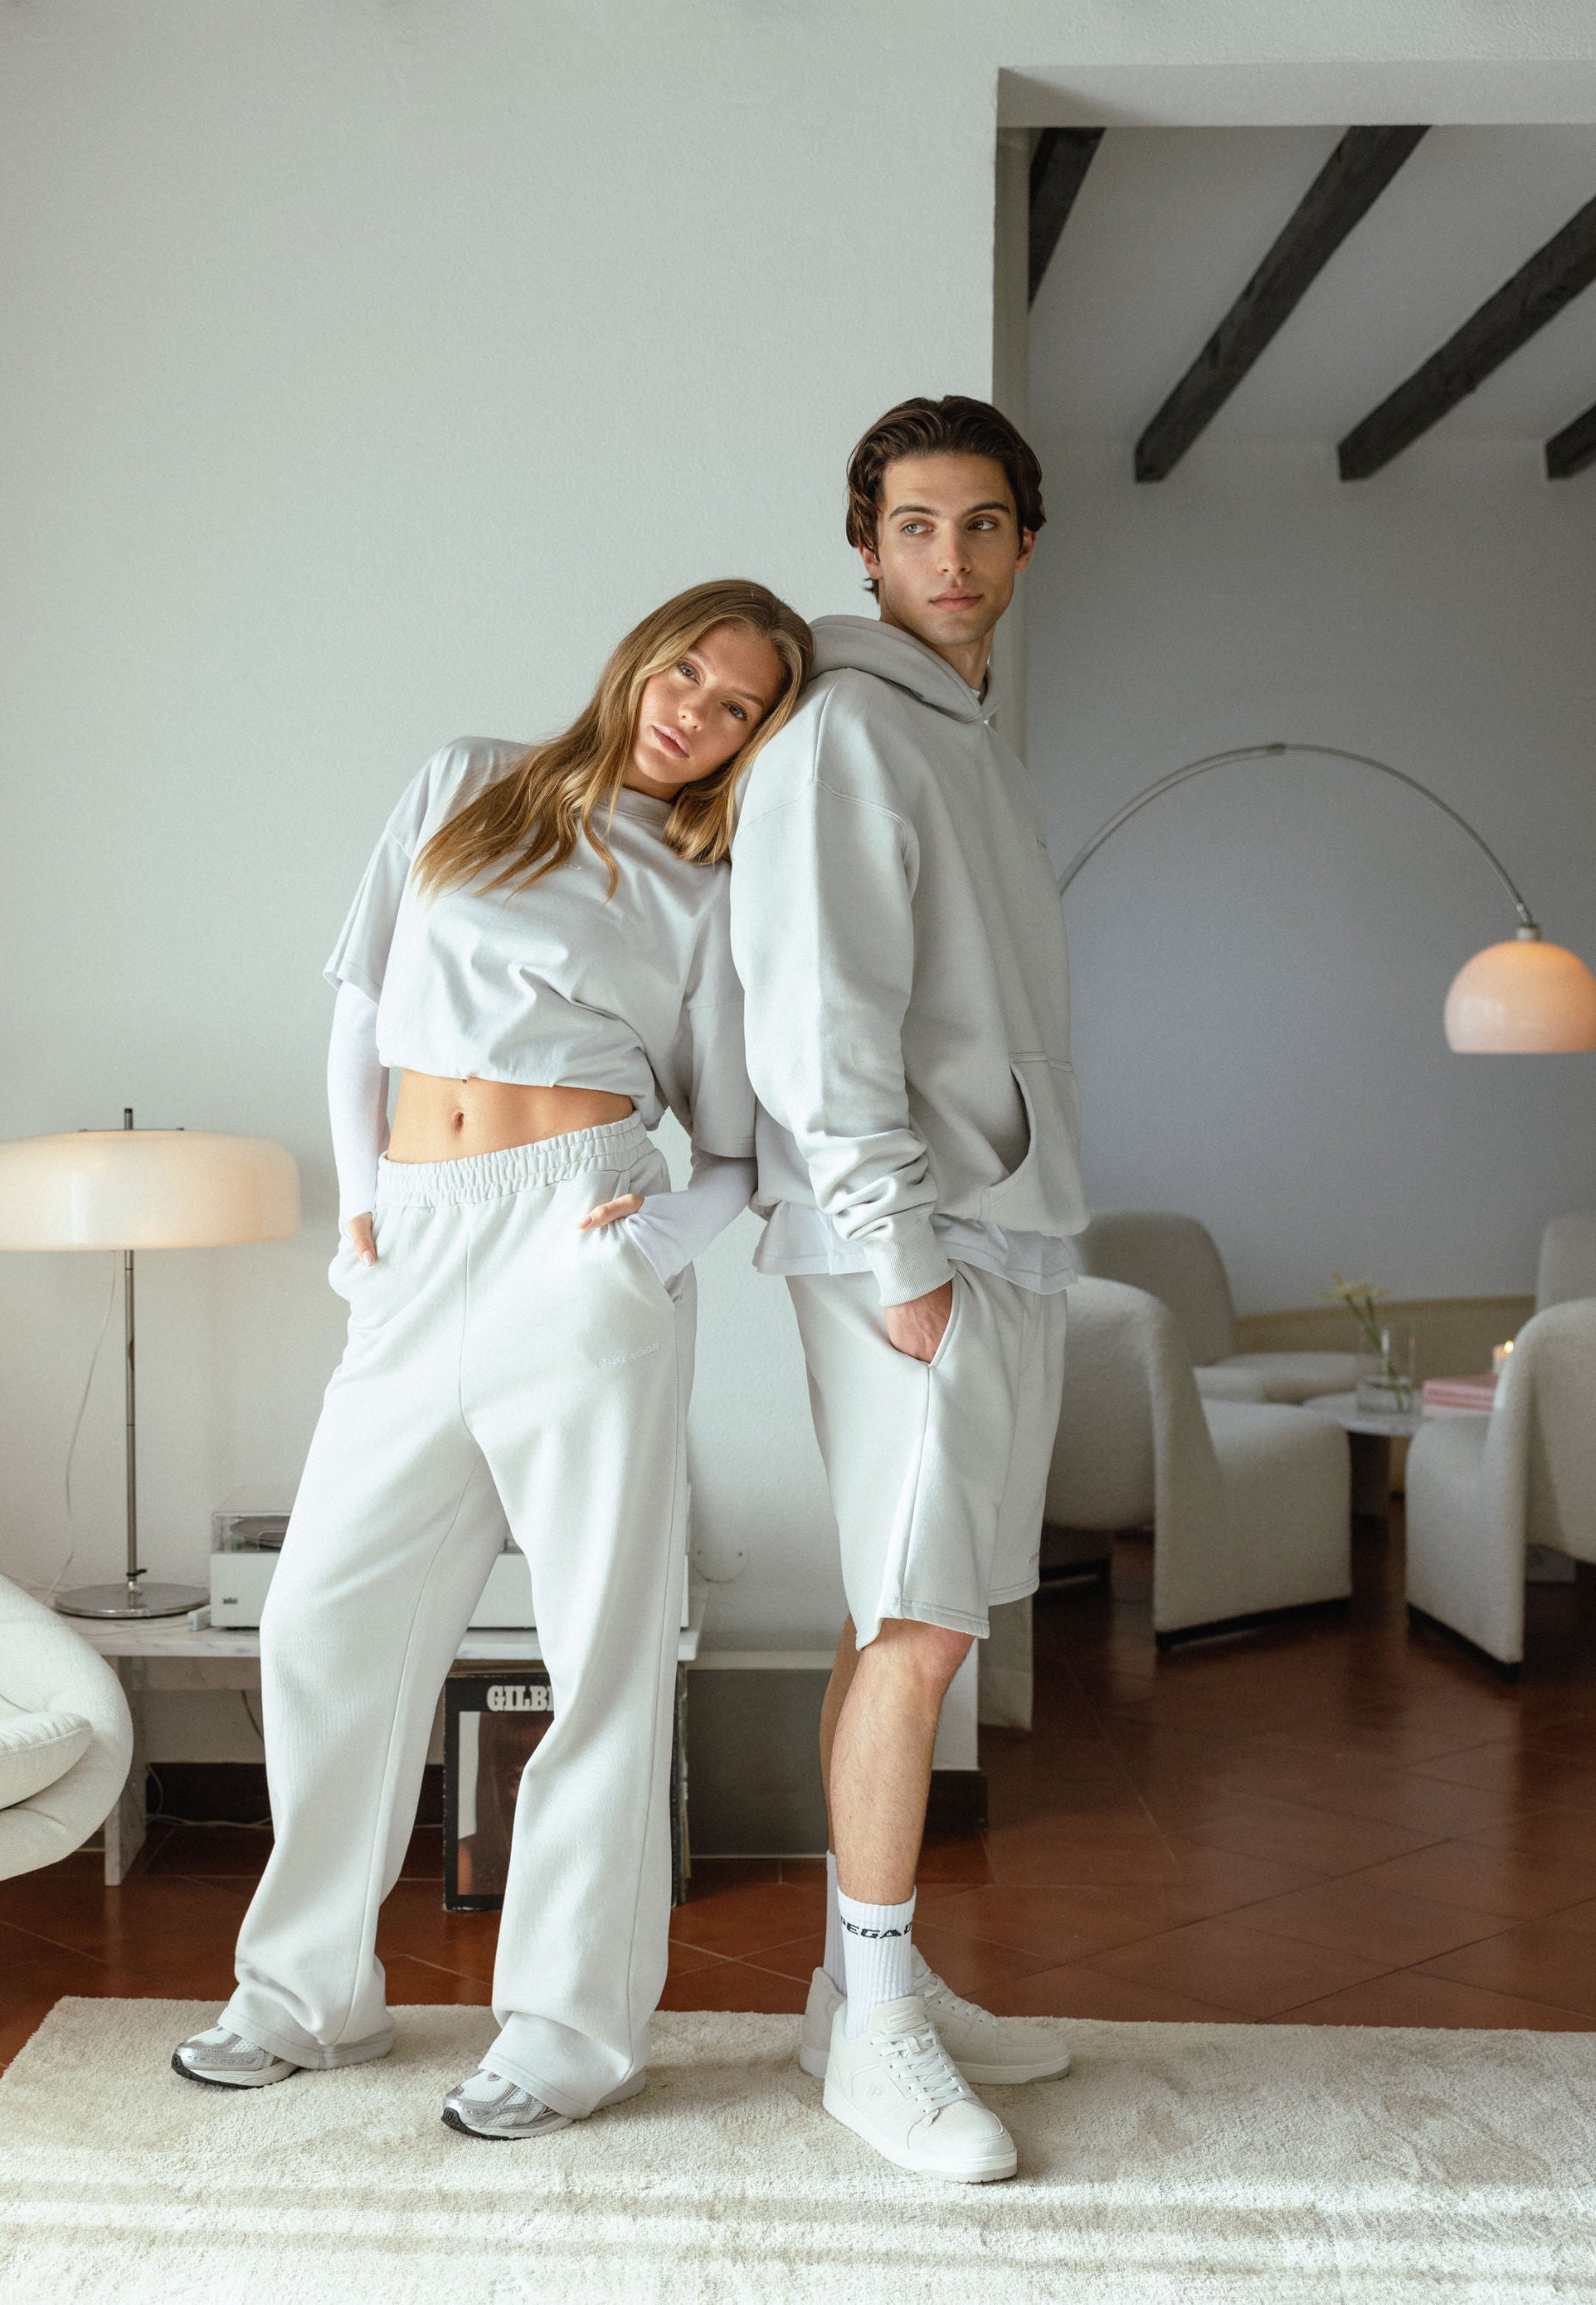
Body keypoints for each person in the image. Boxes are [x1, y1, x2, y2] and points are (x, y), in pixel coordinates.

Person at [172, 579, 812, 2138]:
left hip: (576, 1241)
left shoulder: (714, 885)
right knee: (321, 1621)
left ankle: (571, 2029)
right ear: (641, 657)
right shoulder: (464, 781)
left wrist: (639, 1255)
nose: (696, 712)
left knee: (602, 1648)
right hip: (417, 1240)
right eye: (688, 670)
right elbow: (362, 1009)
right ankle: (306, 1995)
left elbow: (735, 1152)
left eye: (737, 706)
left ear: (755, 740)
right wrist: (362, 1209)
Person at [729, 398, 1089, 2183]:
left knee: (899, 1611)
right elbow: (816, 1019)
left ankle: (852, 1988)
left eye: (985, 523)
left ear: (1025, 542)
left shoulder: (965, 738)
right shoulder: (848, 730)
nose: (953, 557)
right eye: (917, 526)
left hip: (986, 1226)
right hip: (917, 1243)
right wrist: (896, 1250)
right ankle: (875, 2034)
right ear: (865, 547)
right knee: (922, 1630)